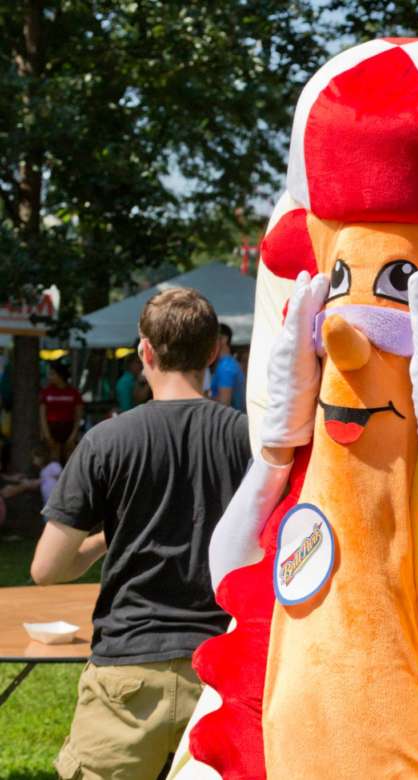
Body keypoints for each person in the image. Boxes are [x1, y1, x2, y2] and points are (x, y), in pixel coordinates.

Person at [31, 288, 252, 779]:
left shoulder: (105, 441)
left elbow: (47, 568)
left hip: (126, 672)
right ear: (215, 350)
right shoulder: (249, 438)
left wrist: (111, 534)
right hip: (223, 670)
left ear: (145, 351)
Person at [39, 361, 83, 462]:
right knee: (54, 458)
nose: (49, 377)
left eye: (52, 374)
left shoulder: (73, 393)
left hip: (68, 427)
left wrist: (73, 434)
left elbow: (78, 415)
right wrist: (47, 435)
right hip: (52, 428)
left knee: (70, 459)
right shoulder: (46, 392)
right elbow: (42, 415)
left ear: (60, 375)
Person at [209, 323, 246, 411]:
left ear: (224, 339)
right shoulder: (228, 363)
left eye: (212, 337)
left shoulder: (226, 366)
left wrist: (202, 398)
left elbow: (224, 402)